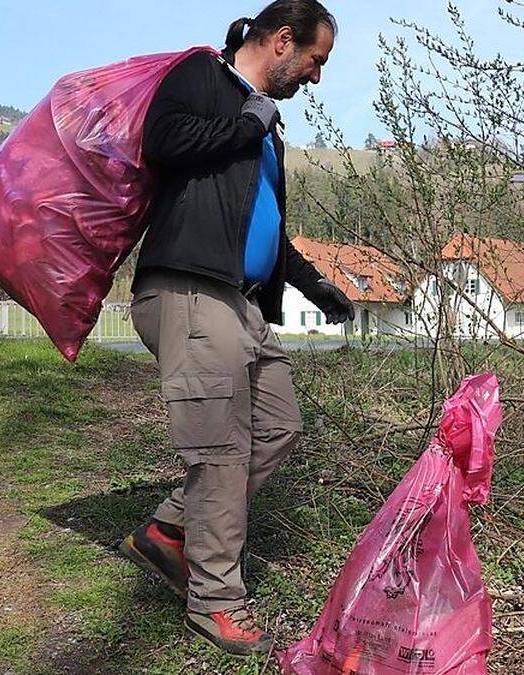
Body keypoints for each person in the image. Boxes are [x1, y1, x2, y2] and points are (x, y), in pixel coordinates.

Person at [117, 0, 354, 656]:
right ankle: (215, 602)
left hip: (242, 302)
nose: (317, 76)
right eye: (316, 60)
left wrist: (314, 284)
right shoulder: (203, 76)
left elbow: (266, 227)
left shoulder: (265, 128)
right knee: (220, 455)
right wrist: (246, 124)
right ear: (283, 41)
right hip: (188, 289)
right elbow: (162, 142)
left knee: (280, 425)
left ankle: (169, 531)